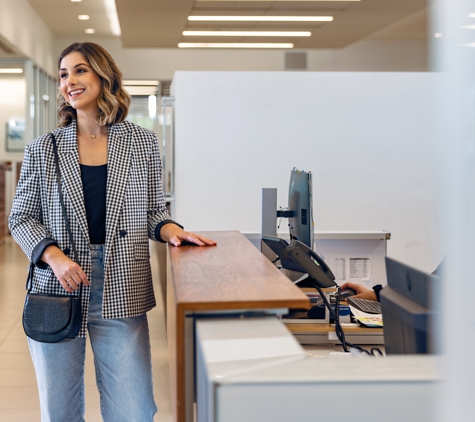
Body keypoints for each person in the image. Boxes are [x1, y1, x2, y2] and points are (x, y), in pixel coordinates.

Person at [9, 42, 216, 422]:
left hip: (123, 280)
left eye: (80, 70)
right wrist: (54, 258)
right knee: (59, 413)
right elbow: (20, 218)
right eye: (64, 75)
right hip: (59, 286)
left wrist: (172, 231)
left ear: (104, 76)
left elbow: (155, 209)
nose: (70, 81)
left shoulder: (141, 142)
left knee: (133, 409)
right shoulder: (43, 148)